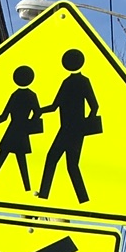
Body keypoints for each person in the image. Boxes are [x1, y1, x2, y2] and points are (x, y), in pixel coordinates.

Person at [38, 48, 98, 204]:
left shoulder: (79, 82)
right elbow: (55, 106)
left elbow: (94, 106)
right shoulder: (70, 82)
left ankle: (45, 195)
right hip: (69, 129)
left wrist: (85, 125)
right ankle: (82, 199)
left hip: (71, 130)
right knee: (69, 164)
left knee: (56, 160)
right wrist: (40, 111)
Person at [0, 65, 44, 191]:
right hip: (21, 131)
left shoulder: (16, 95)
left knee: (3, 158)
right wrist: (30, 123)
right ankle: (26, 189)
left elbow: (4, 116)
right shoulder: (31, 95)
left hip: (13, 130)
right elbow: (38, 112)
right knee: (20, 161)